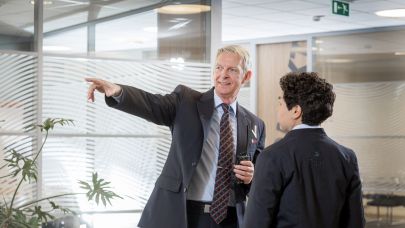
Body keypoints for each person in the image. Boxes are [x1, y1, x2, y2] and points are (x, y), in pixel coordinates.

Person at [86, 45, 266, 228]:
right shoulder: (186, 102)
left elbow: (262, 180)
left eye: (232, 70)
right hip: (185, 215)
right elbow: (151, 104)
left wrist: (252, 177)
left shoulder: (255, 124)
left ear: (246, 76)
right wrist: (117, 91)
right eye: (219, 67)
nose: (223, 75)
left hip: (232, 220)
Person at [243, 72, 365, 228]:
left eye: (280, 103)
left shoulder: (272, 156)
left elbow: (256, 223)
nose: (278, 109)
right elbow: (356, 222)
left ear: (296, 111)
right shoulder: (347, 157)